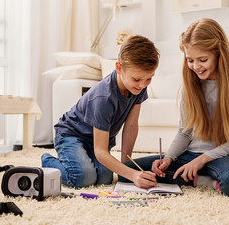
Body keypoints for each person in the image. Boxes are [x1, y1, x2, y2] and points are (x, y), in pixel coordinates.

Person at [119, 18, 229, 196]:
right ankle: (203, 180)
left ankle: (198, 176)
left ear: (219, 53)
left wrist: (201, 160)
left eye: (202, 59)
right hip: (189, 154)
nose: (196, 66)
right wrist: (168, 158)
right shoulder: (189, 86)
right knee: (127, 172)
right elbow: (185, 132)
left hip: (225, 156)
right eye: (190, 60)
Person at [42, 35, 159, 189]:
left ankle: (82, 160)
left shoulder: (138, 88)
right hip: (71, 136)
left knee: (105, 179)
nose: (142, 85)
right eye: (137, 79)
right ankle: (47, 160)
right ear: (118, 68)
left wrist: (127, 167)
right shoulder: (104, 97)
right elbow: (100, 151)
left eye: (149, 79)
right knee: (84, 178)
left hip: (96, 141)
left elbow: (131, 126)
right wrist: (133, 174)